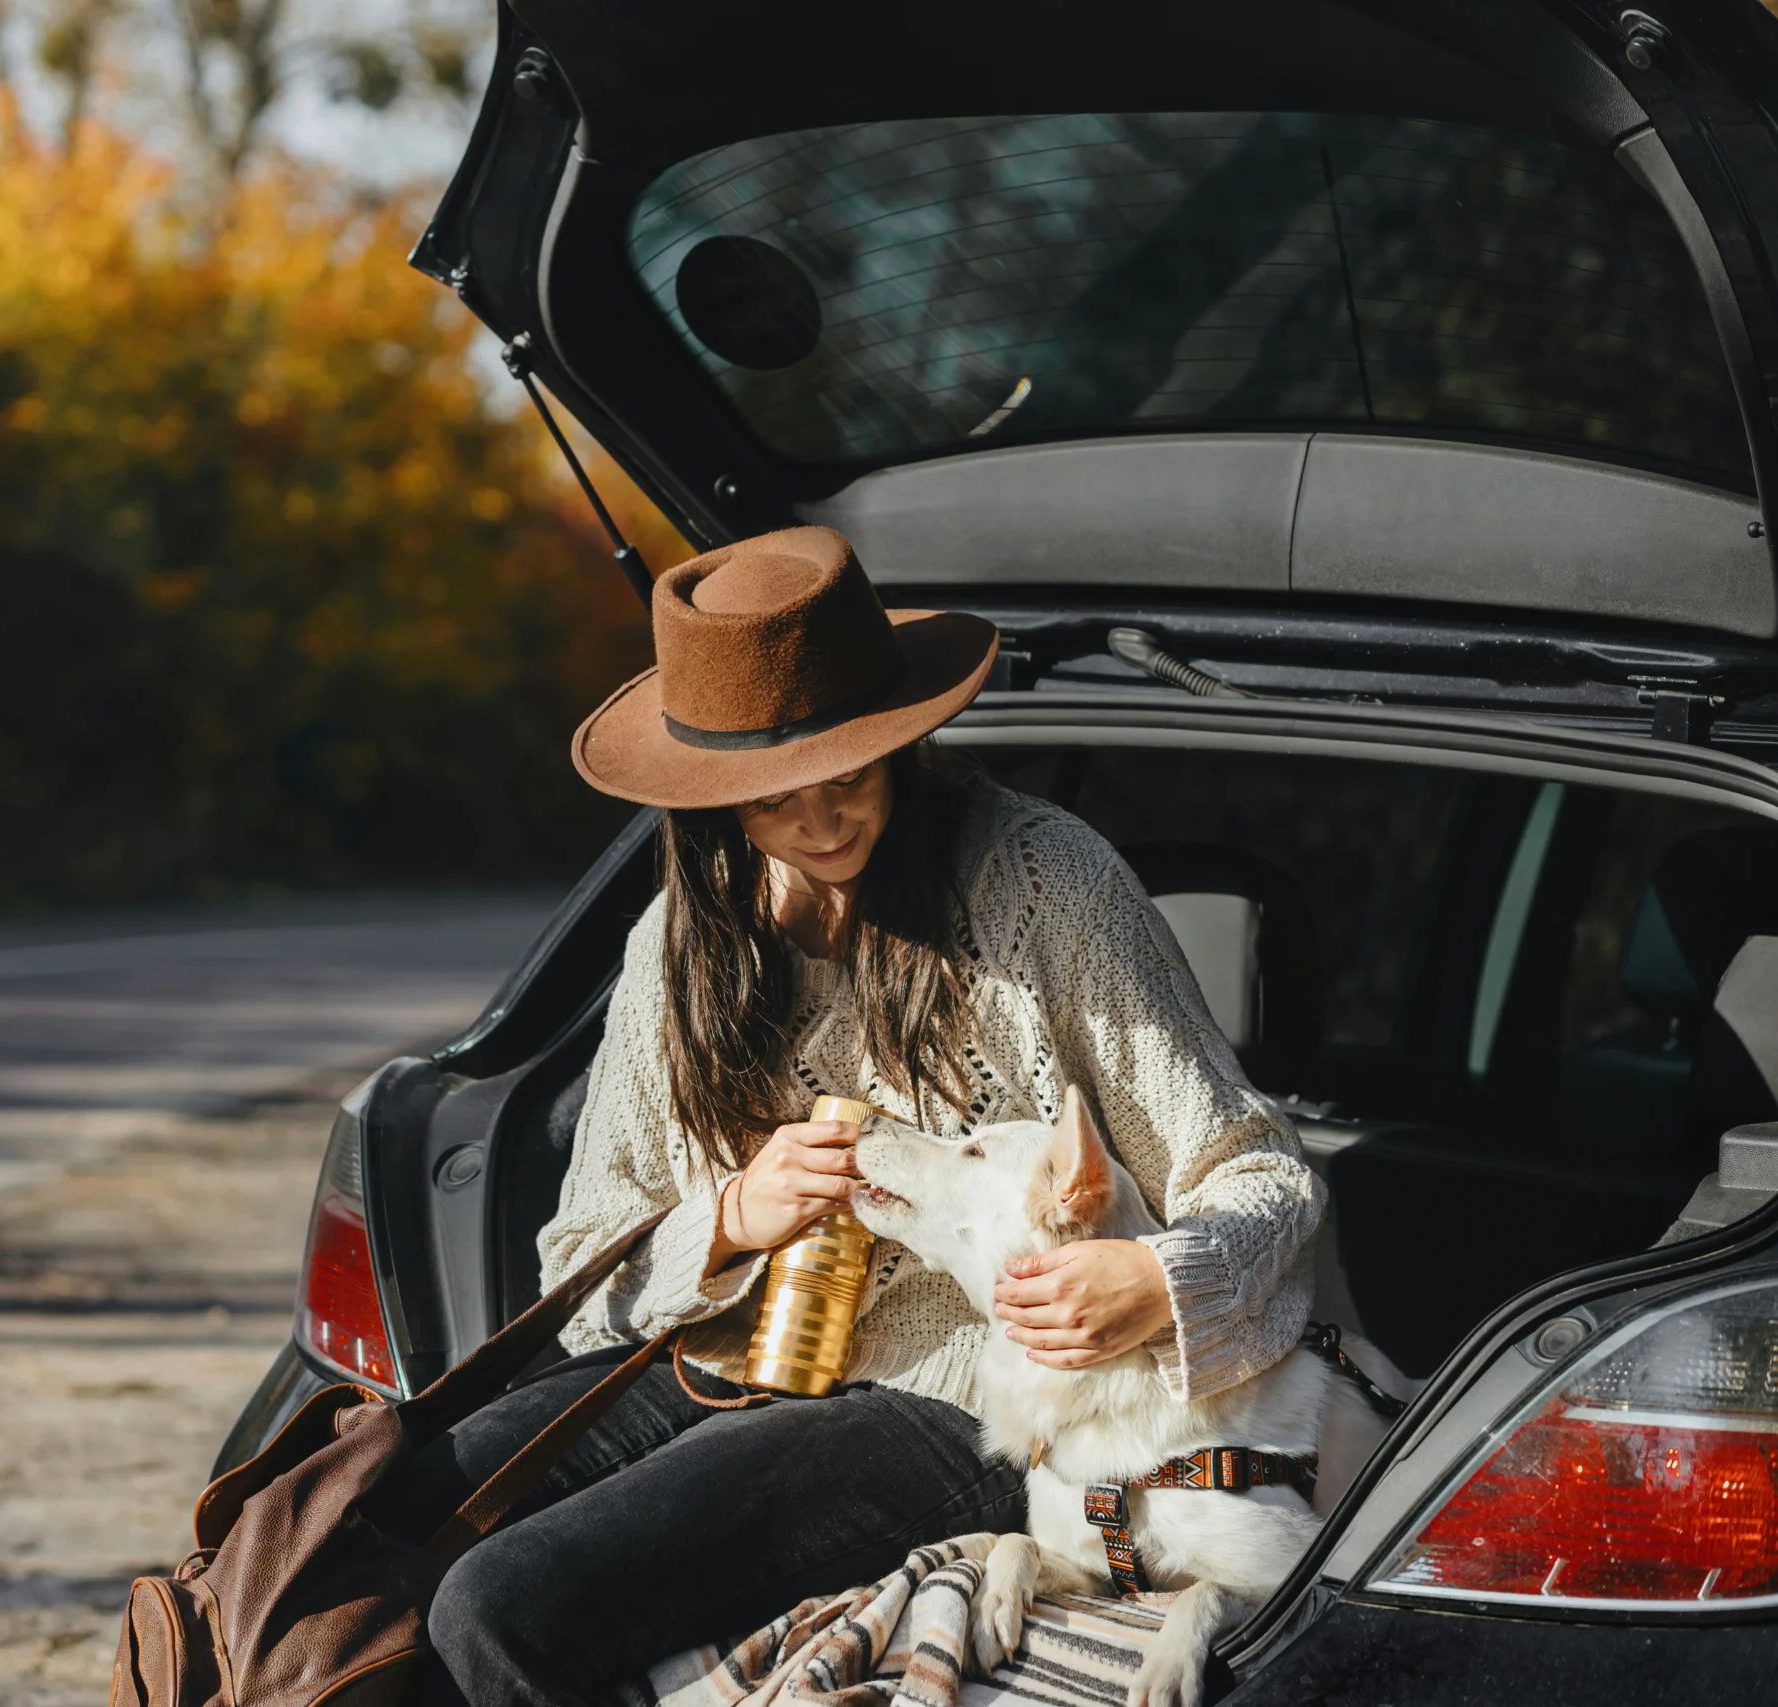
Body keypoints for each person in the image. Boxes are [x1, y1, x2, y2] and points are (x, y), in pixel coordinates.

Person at [365, 526, 1322, 1707]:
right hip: (715, 1362)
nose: (820, 826)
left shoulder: (1041, 883)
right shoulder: (678, 942)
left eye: (851, 777)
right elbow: (581, 1261)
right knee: (372, 1537)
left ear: (905, 744)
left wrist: (1154, 1281)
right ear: (712, 797)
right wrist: (729, 1216)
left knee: (500, 1609)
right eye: (772, 800)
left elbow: (1259, 1176)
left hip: (946, 1401)